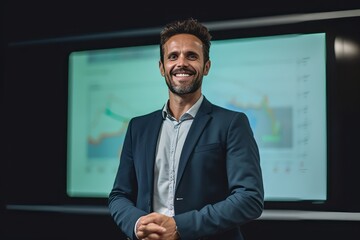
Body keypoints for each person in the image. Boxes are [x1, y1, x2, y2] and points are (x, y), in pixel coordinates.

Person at [108, 18, 264, 240]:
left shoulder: (232, 123)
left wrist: (180, 226)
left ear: (206, 66)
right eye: (173, 56)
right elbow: (119, 195)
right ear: (162, 68)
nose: (182, 63)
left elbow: (249, 198)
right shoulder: (138, 127)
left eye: (192, 56)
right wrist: (137, 224)